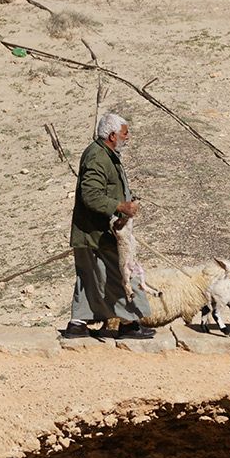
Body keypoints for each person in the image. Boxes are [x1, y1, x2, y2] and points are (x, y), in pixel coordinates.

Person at [63, 113, 156, 340]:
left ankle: (77, 324)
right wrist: (120, 206)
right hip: (96, 234)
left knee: (90, 277)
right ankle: (128, 323)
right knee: (121, 275)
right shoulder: (97, 157)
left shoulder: (106, 154)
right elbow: (91, 195)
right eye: (125, 133)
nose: (128, 138)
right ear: (113, 135)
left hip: (94, 233)